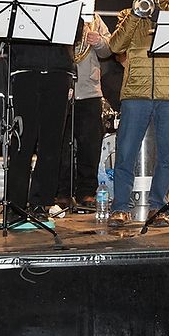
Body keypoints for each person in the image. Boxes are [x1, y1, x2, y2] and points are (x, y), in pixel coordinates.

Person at [106, 0, 169, 229]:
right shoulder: (128, 14)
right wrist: (135, 14)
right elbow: (115, 47)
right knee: (126, 152)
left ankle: (159, 207)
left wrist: (158, 14)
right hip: (135, 93)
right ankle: (120, 207)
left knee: (167, 155)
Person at [6, 0, 77, 223]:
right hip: (26, 73)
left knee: (51, 145)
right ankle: (15, 206)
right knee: (22, 142)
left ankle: (40, 204)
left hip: (58, 75)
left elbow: (74, 35)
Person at [59, 12, 113, 210]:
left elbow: (109, 49)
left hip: (89, 89)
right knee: (61, 144)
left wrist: (98, 42)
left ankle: (87, 191)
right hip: (61, 88)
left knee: (90, 144)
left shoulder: (95, 18)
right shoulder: (60, 13)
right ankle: (61, 192)